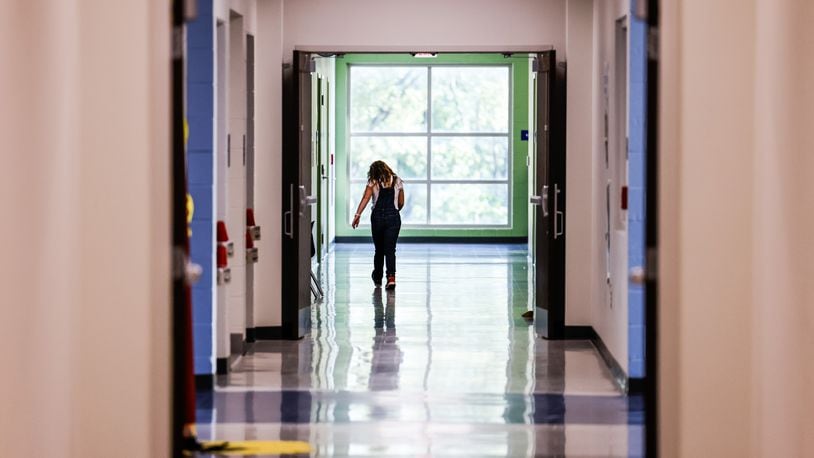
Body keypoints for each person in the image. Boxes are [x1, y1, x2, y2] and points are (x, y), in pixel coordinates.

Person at [351, 160, 404, 289]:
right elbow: (401, 202)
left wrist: (357, 216)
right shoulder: (397, 180)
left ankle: (378, 278)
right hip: (394, 218)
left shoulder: (373, 182)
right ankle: (391, 278)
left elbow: (366, 198)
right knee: (390, 250)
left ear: (373, 172)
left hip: (377, 219)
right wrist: (394, 213)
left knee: (379, 250)